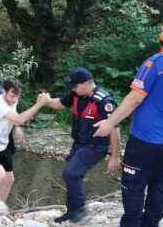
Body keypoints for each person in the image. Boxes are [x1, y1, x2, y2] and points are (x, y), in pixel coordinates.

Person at [93, 17, 163, 227]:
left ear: (161, 37)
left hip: (145, 141)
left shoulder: (155, 63)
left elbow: (134, 98)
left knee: (133, 187)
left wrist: (109, 123)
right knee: (160, 185)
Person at [45, 67, 121, 224]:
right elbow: (59, 103)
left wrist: (115, 156)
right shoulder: (76, 94)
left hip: (96, 145)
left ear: (87, 83)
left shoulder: (104, 101)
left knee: (71, 174)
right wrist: (46, 100)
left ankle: (79, 210)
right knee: (71, 174)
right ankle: (72, 211)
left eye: (75, 86)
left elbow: (115, 129)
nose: (72, 89)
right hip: (79, 143)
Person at [0, 79, 50, 215]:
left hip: (3, 144)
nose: (14, 99)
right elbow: (19, 118)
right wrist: (39, 104)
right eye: (11, 95)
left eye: (17, 96)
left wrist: (16, 127)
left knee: (10, 179)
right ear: (4, 91)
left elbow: (15, 117)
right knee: (0, 175)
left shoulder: (13, 100)